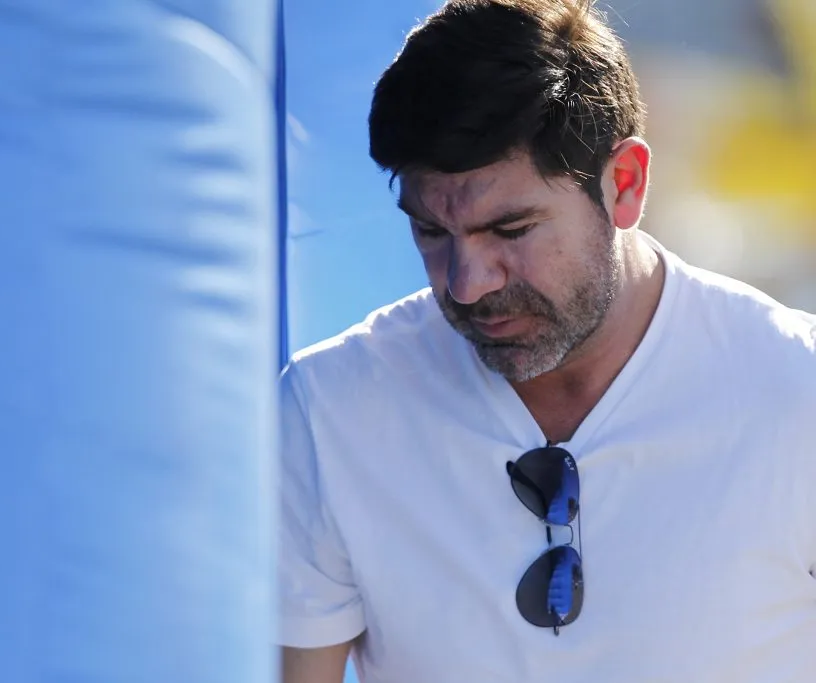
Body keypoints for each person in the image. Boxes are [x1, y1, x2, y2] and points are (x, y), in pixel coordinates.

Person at [275, 0, 816, 681]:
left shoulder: (798, 392)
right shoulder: (328, 413)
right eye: (432, 233)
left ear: (625, 185)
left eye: (511, 230)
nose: (468, 284)